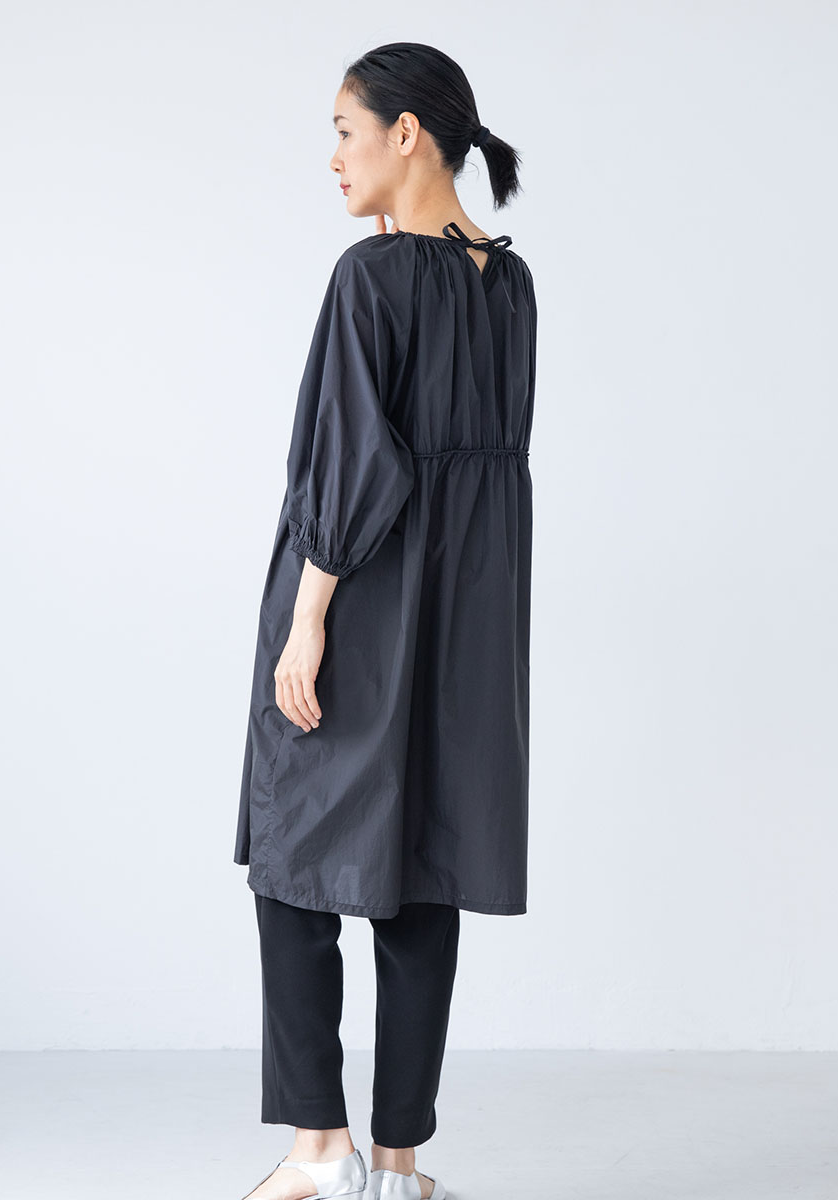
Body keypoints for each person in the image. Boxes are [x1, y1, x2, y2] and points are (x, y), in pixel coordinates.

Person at [233, 42, 537, 1200]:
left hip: (362, 598)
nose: (334, 158)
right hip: (469, 619)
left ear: (407, 133)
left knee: (293, 861)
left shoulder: (371, 279)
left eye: (345, 132)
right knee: (421, 871)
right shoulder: (510, 283)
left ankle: (322, 1152)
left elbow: (357, 466)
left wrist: (307, 618)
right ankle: (401, 1165)